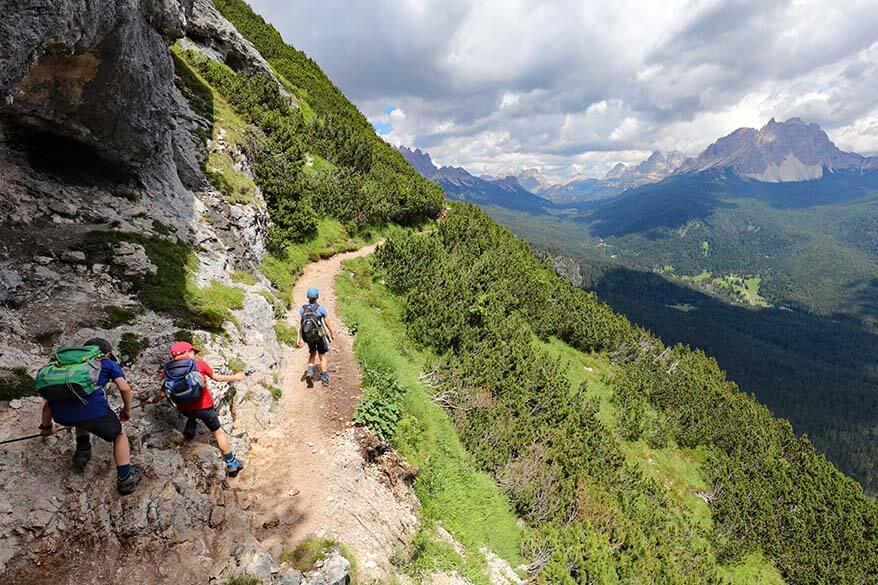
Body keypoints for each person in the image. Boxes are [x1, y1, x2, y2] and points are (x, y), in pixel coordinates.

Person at [38, 337, 142, 495]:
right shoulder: (106, 362)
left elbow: (48, 402)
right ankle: (125, 478)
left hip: (61, 415)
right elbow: (124, 388)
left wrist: (46, 427)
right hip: (94, 411)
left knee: (81, 422)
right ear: (106, 353)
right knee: (119, 434)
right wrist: (127, 410)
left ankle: (82, 452)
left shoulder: (66, 365)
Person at [145, 341, 246, 477]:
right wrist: (236, 376)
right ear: (187, 352)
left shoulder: (167, 371)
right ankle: (232, 463)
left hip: (184, 409)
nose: (194, 354)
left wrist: (154, 399)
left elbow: (164, 391)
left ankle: (190, 431)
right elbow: (217, 378)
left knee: (192, 413)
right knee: (218, 433)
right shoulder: (199, 365)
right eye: (192, 351)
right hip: (204, 407)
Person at [296, 287, 334, 387]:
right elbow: (326, 322)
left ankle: (309, 371)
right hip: (319, 336)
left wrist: (298, 339)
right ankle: (325, 378)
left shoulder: (302, 309)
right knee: (322, 356)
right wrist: (331, 332)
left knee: (312, 353)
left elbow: (301, 325)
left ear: (308, 297)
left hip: (308, 337)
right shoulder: (320, 309)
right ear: (317, 297)